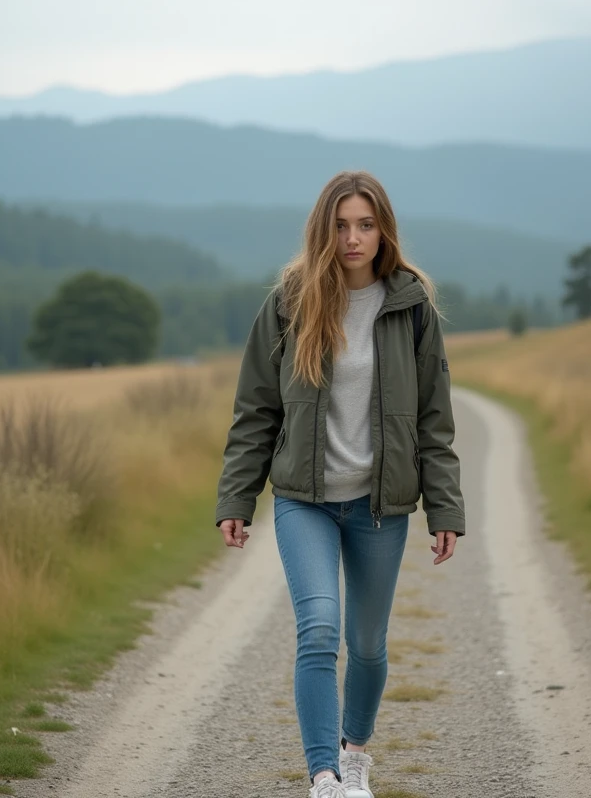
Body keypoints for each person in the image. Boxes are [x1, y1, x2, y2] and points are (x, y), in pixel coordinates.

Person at [215, 170, 466, 798]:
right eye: (341, 225)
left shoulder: (412, 308)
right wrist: (237, 498)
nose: (353, 238)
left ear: (384, 230)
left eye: (366, 224)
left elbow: (435, 419)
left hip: (379, 505)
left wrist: (445, 509)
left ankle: (357, 755)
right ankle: (324, 775)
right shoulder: (290, 302)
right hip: (305, 501)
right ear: (322, 229)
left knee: (368, 643)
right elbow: (256, 411)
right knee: (320, 628)